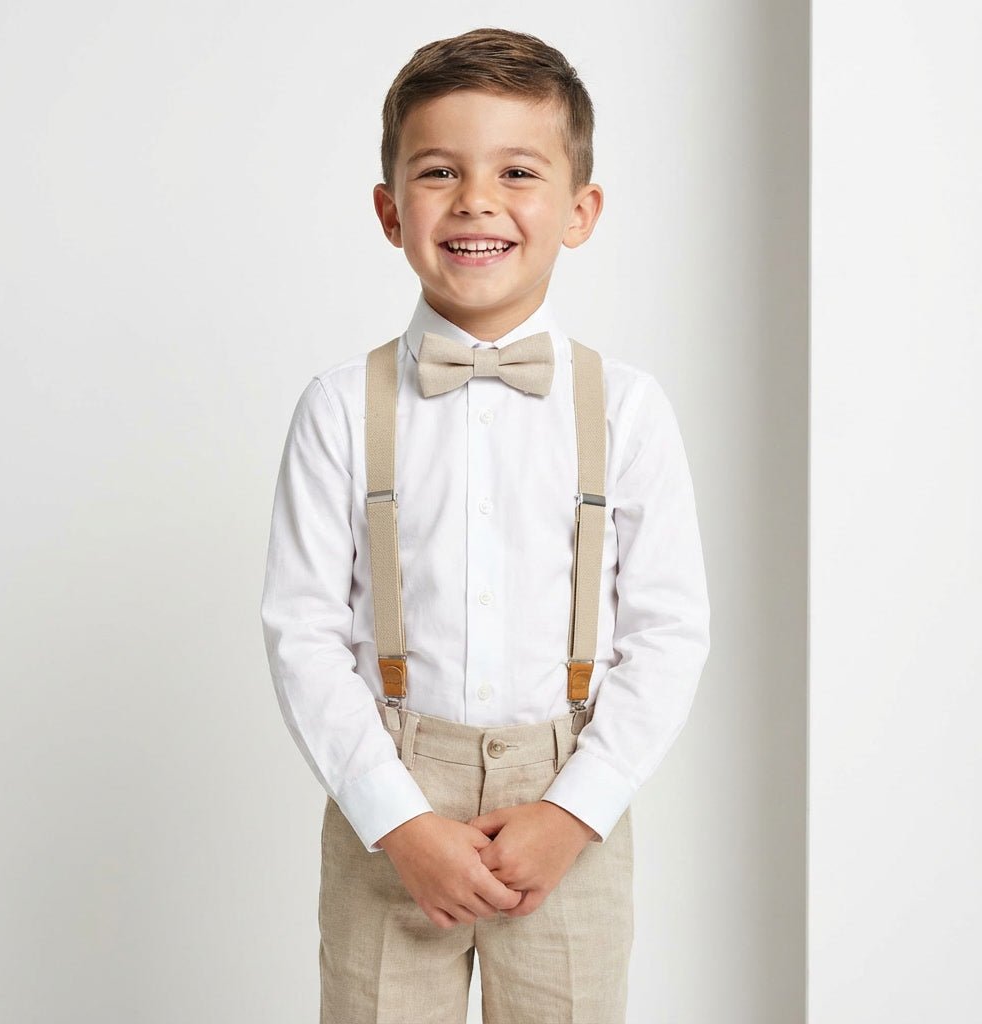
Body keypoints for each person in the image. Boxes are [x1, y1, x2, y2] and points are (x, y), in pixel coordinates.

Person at [260, 25, 711, 1024]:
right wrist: (399, 820)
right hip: (390, 802)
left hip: (569, 798)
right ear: (390, 211)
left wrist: (573, 810)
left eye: (517, 171)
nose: (475, 200)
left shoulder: (627, 409)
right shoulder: (338, 408)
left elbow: (669, 632)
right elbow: (301, 632)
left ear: (580, 210)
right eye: (438, 171)